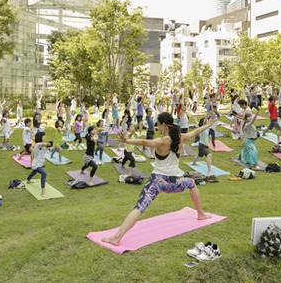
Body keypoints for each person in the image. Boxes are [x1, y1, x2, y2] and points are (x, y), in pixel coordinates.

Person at [102, 112, 215, 247]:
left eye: (158, 124)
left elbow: (144, 142)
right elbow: (196, 131)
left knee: (139, 207)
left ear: (162, 124)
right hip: (173, 183)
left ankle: (117, 237)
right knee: (191, 182)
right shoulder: (181, 138)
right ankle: (201, 213)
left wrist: (127, 141)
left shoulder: (162, 141)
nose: (157, 127)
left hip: (157, 182)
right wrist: (208, 124)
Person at [26, 131, 49, 197]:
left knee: (34, 172)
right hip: (37, 164)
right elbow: (41, 145)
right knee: (44, 173)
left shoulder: (41, 144)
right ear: (40, 137)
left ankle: (28, 180)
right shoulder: (38, 145)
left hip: (39, 163)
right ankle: (43, 192)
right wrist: (47, 144)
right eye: (43, 136)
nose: (45, 137)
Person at [239, 104, 261, 169]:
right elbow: (253, 121)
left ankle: (241, 156)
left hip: (251, 141)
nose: (250, 119)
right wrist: (256, 114)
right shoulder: (248, 125)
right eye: (249, 118)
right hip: (249, 141)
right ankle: (255, 164)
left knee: (246, 151)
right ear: (246, 119)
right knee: (254, 152)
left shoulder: (248, 124)